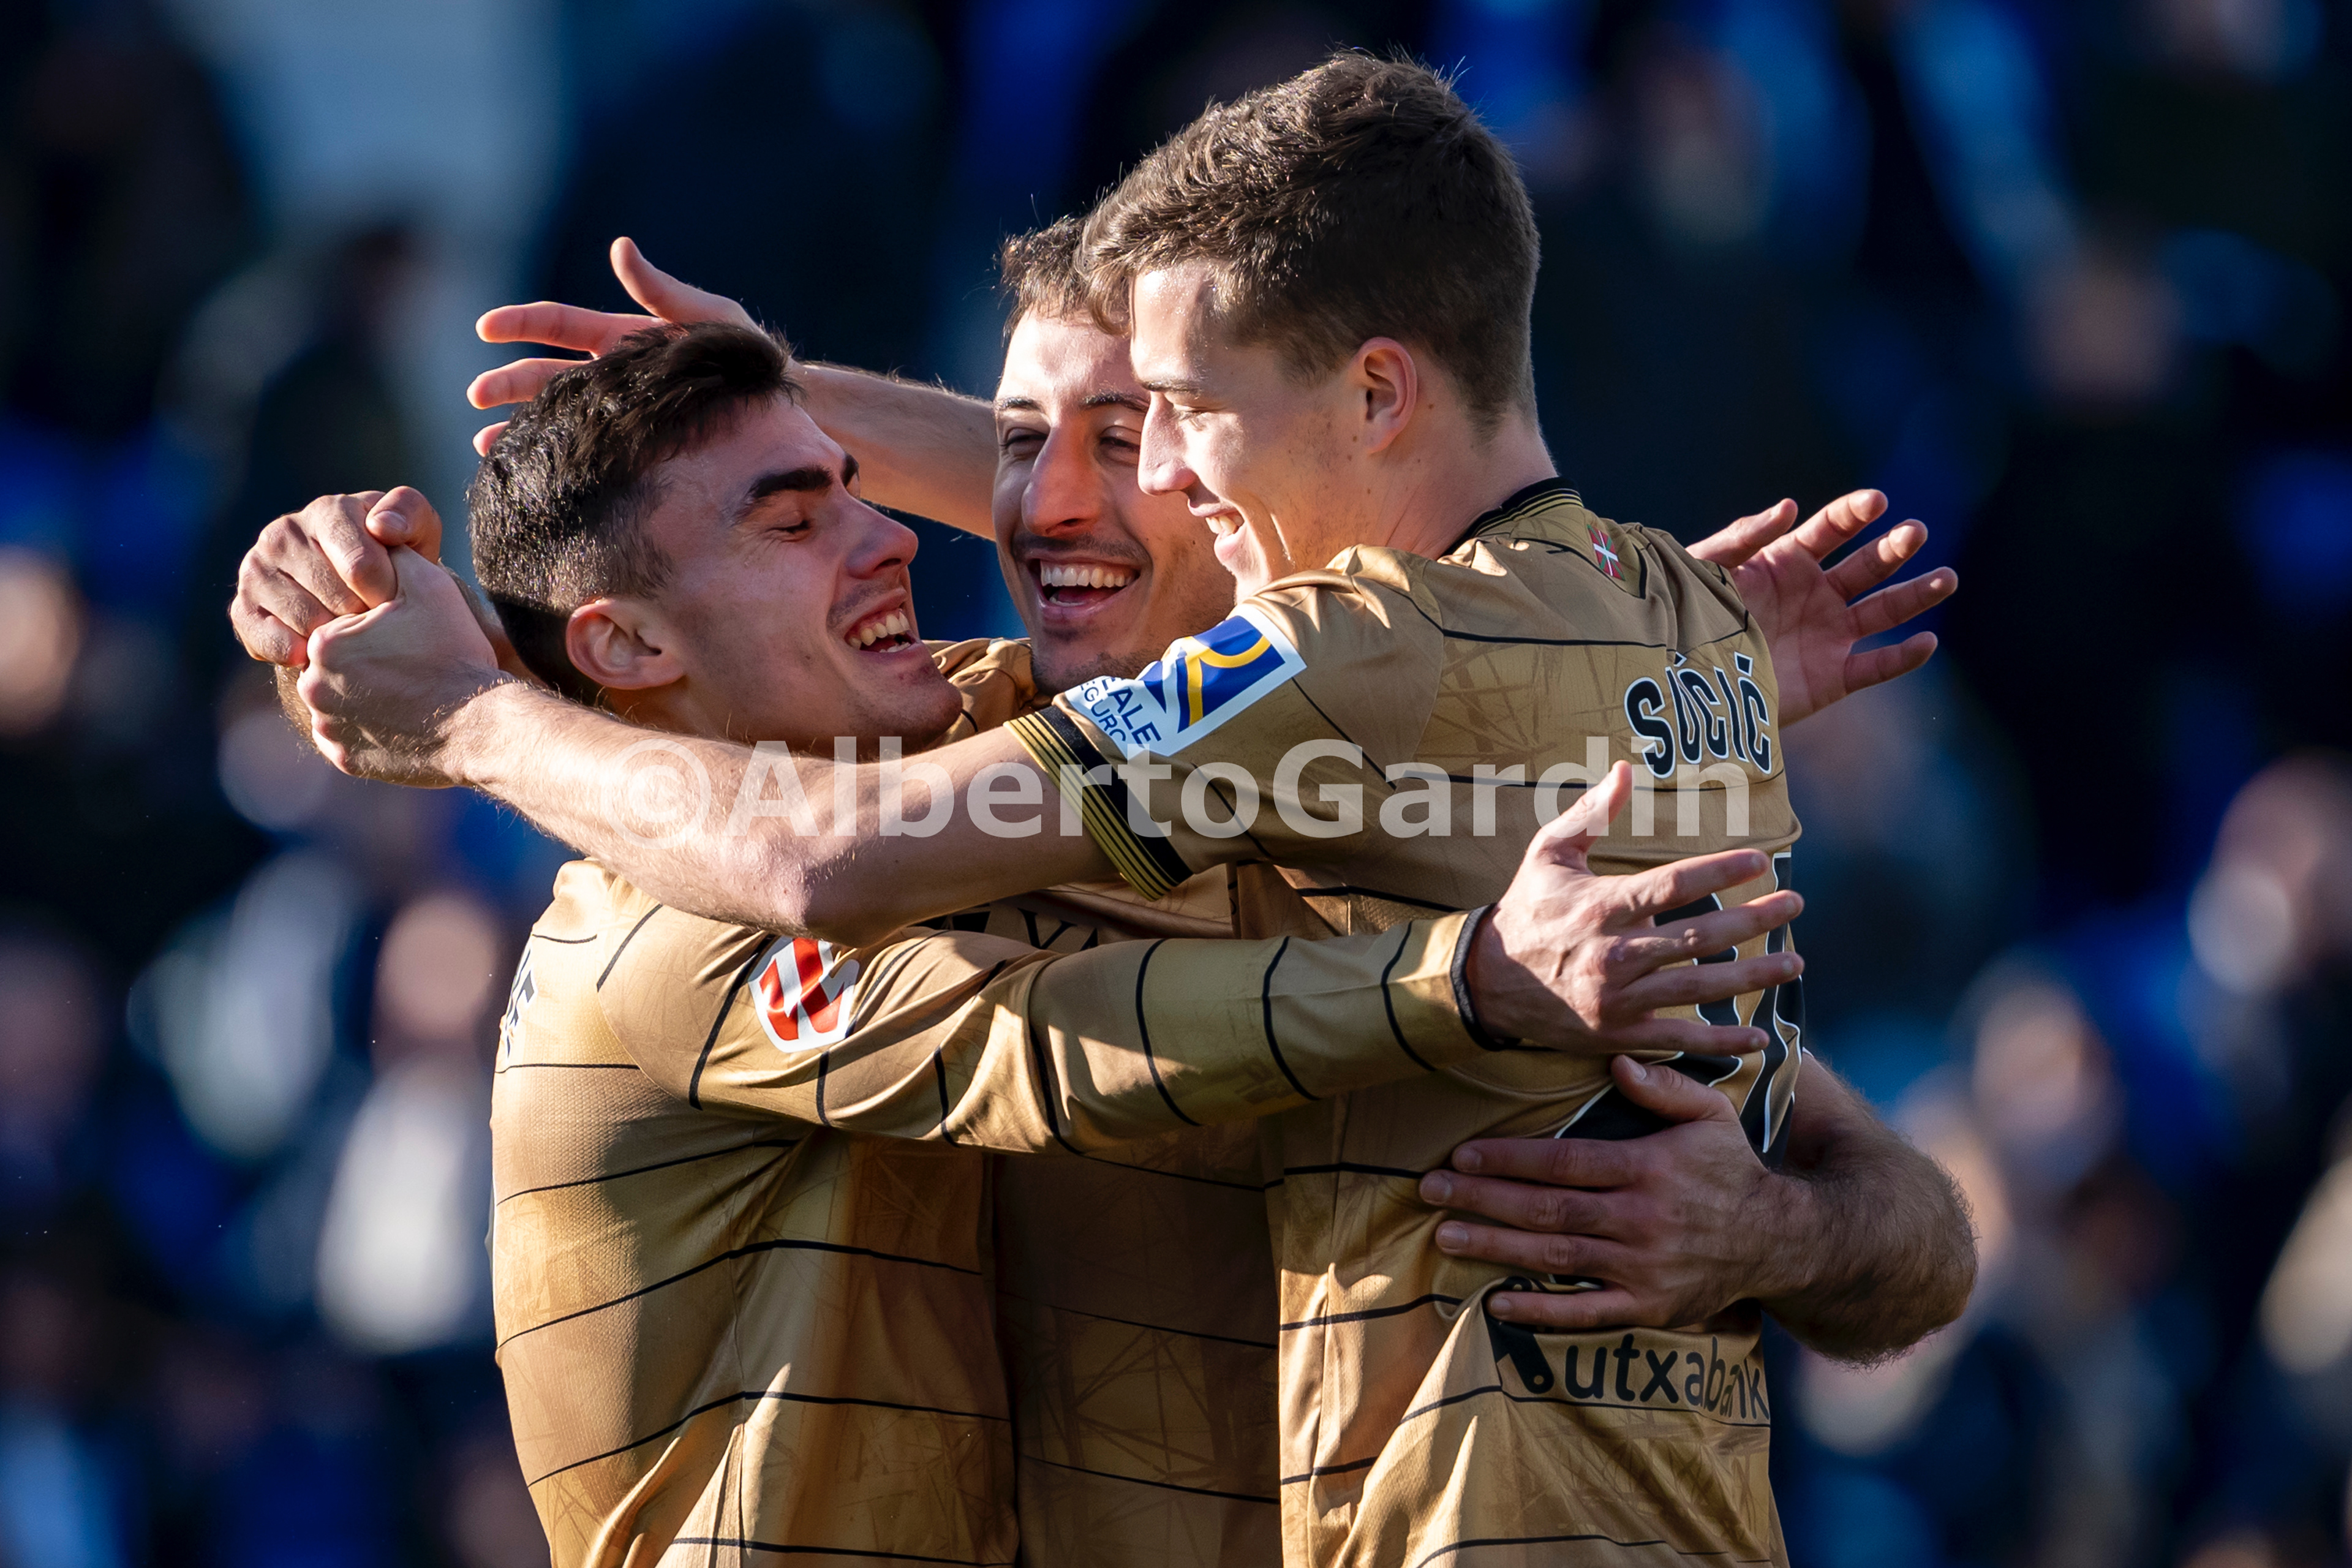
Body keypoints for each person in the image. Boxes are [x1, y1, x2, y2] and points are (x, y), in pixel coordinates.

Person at [243, 61, 1973, 1566]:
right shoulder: (843, 811)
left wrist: (1770, 1228)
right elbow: (796, 848)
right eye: (1009, 444)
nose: (1031, 509)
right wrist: (423, 650)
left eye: (1160, 430)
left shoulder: (1373, 774)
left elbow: (1914, 1231)